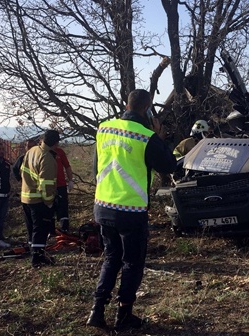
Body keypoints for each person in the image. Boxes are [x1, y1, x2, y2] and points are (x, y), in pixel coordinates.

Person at [86, 89, 176, 331]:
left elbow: (96, 167)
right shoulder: (146, 136)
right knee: (132, 263)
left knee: (111, 258)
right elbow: (169, 165)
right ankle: (124, 314)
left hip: (103, 205)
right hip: (131, 210)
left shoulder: (104, 128)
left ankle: (97, 309)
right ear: (147, 109)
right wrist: (159, 137)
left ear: (127, 104)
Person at [21, 130, 59, 267]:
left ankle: (34, 252)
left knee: (31, 229)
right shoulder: (47, 157)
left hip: (26, 197)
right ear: (56, 143)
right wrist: (49, 202)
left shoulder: (32, 151)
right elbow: (46, 184)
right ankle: (37, 258)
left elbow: (22, 170)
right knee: (40, 229)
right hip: (38, 200)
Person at [51, 143, 74, 233]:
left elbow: (67, 166)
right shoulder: (44, 152)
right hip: (48, 186)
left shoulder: (60, 152)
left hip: (61, 185)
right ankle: (51, 230)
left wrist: (70, 180)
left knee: (63, 207)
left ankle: (64, 229)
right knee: (50, 208)